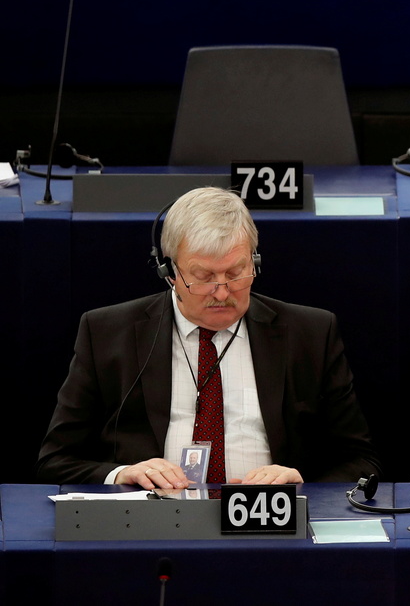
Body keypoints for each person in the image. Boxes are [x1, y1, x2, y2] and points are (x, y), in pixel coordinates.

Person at [37, 187, 381, 489]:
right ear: (169, 272)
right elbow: (55, 461)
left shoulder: (310, 334)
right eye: (203, 277)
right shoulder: (108, 333)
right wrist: (121, 474)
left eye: (235, 272)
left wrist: (299, 482)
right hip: (151, 520)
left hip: (271, 521)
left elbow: (362, 462)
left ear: (255, 262)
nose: (222, 292)